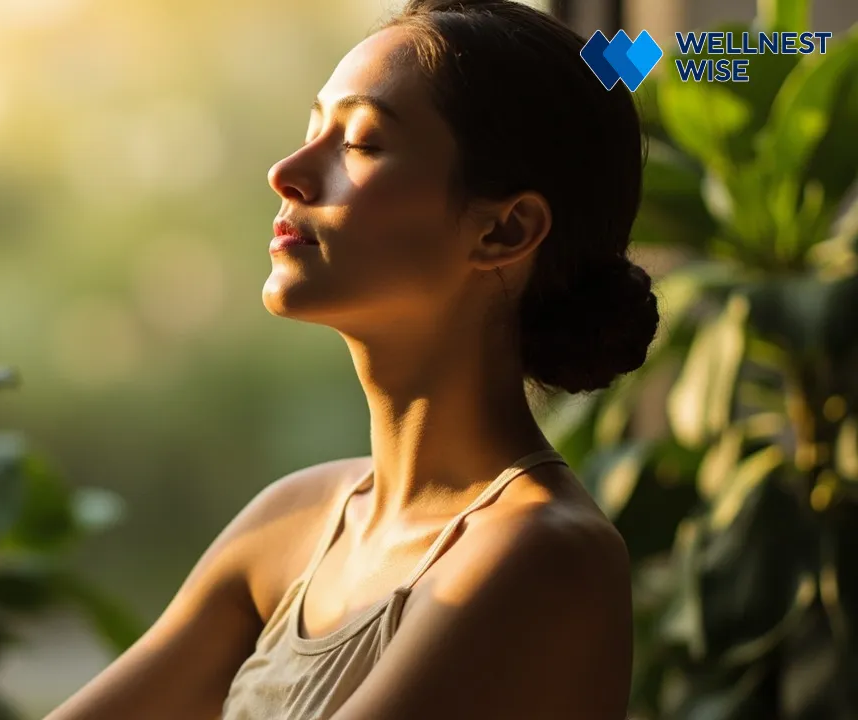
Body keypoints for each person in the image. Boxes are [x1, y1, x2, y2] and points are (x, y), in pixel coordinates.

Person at [47, 0, 656, 717]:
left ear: (506, 229)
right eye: (313, 131)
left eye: (362, 143)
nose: (287, 171)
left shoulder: (545, 555)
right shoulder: (293, 523)